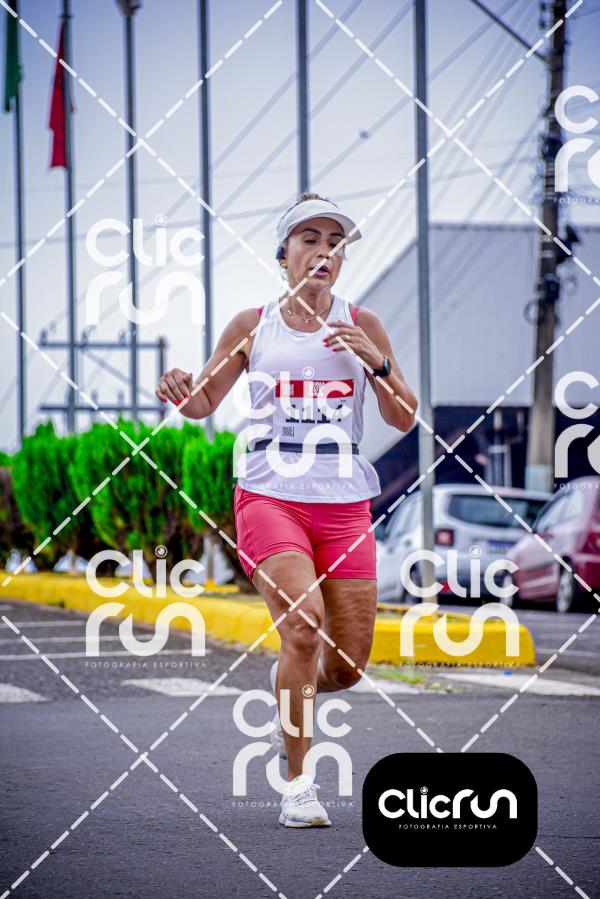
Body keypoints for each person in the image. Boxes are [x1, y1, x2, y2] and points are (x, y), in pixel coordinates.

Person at [155, 192, 418, 828]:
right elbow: (203, 402)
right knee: (302, 625)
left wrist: (377, 362)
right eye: (310, 239)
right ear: (283, 255)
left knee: (346, 667)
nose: (324, 252)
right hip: (270, 493)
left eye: (334, 243)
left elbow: (405, 417)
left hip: (343, 502)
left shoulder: (363, 323)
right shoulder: (253, 326)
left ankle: (288, 693)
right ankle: (299, 786)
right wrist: (179, 387)